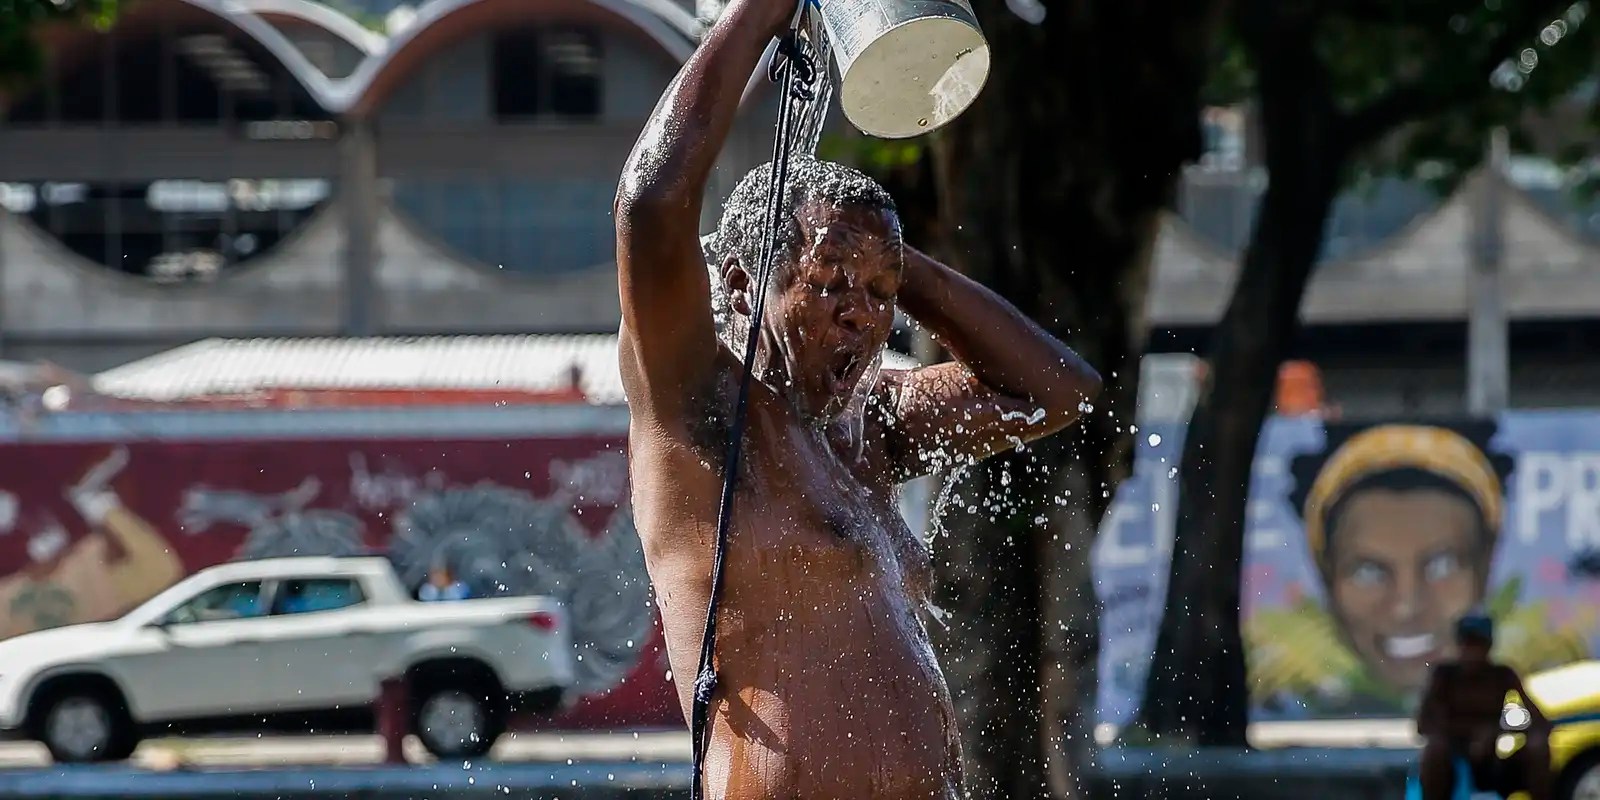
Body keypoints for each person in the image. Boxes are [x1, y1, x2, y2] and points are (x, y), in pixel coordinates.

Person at [613, 1, 1101, 796]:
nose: (862, 315)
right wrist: (759, 14)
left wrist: (905, 266)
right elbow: (650, 205)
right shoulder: (699, 407)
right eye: (833, 282)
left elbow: (1060, 391)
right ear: (740, 285)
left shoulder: (871, 424)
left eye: (881, 292)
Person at [1417, 613, 1552, 800]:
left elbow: (1541, 722)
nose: (1472, 652)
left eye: (1477, 645)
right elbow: (1423, 725)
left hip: (1494, 760)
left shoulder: (1502, 675)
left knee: (1538, 746)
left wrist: (1495, 732)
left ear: (1488, 647)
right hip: (1453, 761)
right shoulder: (1445, 676)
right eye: (1467, 644)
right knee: (1434, 750)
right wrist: (1467, 735)